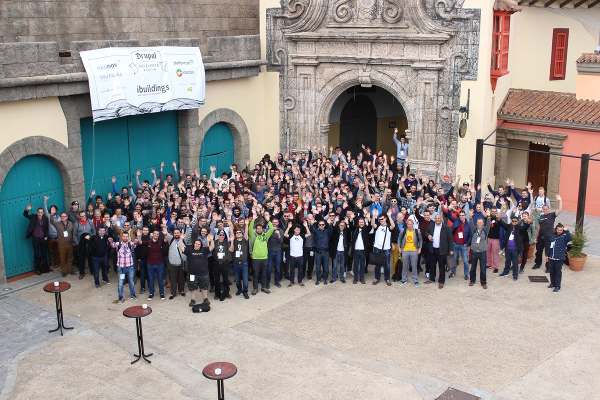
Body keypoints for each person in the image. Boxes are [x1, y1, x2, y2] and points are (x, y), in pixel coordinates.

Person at [180, 234, 214, 307]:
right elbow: (181, 248)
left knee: (204, 287)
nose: (197, 245)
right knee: (193, 288)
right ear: (194, 244)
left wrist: (211, 240)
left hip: (203, 273)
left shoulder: (204, 250)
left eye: (199, 244)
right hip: (192, 274)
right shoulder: (189, 250)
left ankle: (205, 299)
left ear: (200, 245)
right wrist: (181, 239)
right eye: (196, 244)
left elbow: (212, 247)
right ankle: (192, 300)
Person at [497, 211, 530, 281]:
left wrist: (528, 222)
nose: (514, 222)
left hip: (515, 249)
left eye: (515, 221)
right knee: (507, 261)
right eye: (513, 221)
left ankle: (515, 275)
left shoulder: (519, 229)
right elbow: (502, 223)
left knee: (515, 262)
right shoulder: (508, 227)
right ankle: (506, 272)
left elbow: (525, 227)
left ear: (518, 222)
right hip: (508, 248)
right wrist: (499, 219)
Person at [533, 195, 562, 272]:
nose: (545, 210)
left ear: (548, 208)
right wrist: (537, 236)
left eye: (546, 209)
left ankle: (548, 267)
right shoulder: (541, 216)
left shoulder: (552, 215)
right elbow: (539, 226)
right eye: (544, 209)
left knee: (548, 253)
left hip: (548, 237)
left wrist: (560, 200)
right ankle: (537, 264)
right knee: (538, 251)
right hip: (541, 237)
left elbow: (560, 209)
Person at [108, 231, 138, 304]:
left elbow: (136, 243)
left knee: (131, 281)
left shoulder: (131, 244)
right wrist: (111, 241)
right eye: (123, 236)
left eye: (126, 236)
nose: (125, 238)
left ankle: (132, 294)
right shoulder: (118, 244)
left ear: (128, 237)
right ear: (121, 237)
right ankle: (120, 297)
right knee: (121, 283)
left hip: (130, 267)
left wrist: (138, 238)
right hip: (121, 268)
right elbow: (112, 244)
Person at [425, 214, 453, 289]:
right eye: (436, 218)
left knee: (441, 266)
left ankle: (441, 281)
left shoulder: (446, 228)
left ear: (441, 219)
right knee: (432, 265)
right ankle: (432, 278)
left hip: (442, 250)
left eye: (438, 218)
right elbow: (426, 232)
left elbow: (450, 239)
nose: (437, 219)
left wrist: (451, 250)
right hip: (433, 249)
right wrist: (428, 236)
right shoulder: (431, 226)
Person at [249, 216, 274, 295]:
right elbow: (250, 229)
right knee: (255, 274)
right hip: (255, 258)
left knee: (264, 273)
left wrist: (268, 220)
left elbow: (272, 229)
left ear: (262, 229)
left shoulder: (265, 236)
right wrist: (253, 220)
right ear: (256, 230)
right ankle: (255, 288)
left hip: (264, 258)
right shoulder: (254, 236)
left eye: (260, 228)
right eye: (258, 228)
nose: (259, 230)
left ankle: (263, 287)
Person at [370, 208, 395, 286]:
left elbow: (393, 226)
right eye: (380, 219)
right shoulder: (377, 226)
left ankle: (387, 278)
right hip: (377, 247)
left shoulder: (388, 227)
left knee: (387, 265)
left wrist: (389, 216)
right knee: (377, 264)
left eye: (382, 219)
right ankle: (377, 278)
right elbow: (372, 224)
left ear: (385, 219)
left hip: (386, 248)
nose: (380, 220)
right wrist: (374, 216)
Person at [142, 228, 168, 301]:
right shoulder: (149, 242)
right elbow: (141, 242)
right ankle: (151, 293)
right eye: (155, 234)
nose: (156, 235)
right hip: (150, 264)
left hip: (160, 264)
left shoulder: (160, 242)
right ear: (152, 234)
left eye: (157, 234)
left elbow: (166, 240)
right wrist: (138, 236)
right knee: (151, 280)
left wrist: (165, 234)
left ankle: (161, 293)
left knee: (160, 280)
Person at [23, 204, 49, 275]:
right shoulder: (33, 217)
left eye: (41, 212)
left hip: (43, 238)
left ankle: (45, 268)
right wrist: (27, 209)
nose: (40, 214)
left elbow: (47, 228)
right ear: (37, 212)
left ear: (43, 213)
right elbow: (25, 214)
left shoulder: (45, 218)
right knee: (36, 254)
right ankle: (37, 269)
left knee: (44, 253)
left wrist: (46, 236)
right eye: (39, 212)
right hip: (36, 239)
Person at [446, 210, 471, 280]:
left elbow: (470, 235)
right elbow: (450, 216)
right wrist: (449, 209)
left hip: (463, 245)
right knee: (454, 259)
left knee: (465, 260)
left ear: (465, 216)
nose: (461, 217)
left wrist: (467, 243)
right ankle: (453, 272)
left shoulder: (468, 224)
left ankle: (466, 274)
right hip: (455, 244)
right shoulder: (456, 221)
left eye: (463, 215)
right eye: (460, 215)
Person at [546, 223, 572, 293]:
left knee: (558, 272)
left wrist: (567, 231)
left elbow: (570, 238)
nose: (559, 231)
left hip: (559, 258)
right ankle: (552, 283)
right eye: (558, 230)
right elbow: (550, 246)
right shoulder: (553, 236)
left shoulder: (564, 236)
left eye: (561, 230)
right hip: (552, 257)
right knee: (552, 271)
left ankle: (557, 286)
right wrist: (547, 255)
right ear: (556, 229)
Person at [285, 220, 311, 287]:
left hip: (300, 256)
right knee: (292, 270)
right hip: (292, 256)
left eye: (299, 230)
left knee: (300, 270)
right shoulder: (291, 235)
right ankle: (291, 282)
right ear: (294, 230)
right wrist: (288, 227)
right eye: (296, 229)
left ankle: (300, 281)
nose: (298, 231)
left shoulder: (302, 235)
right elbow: (285, 234)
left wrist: (306, 227)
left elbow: (309, 234)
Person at [397, 219, 422, 287]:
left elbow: (420, 239)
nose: (409, 225)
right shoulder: (403, 230)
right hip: (405, 250)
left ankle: (415, 280)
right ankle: (404, 279)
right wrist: (399, 247)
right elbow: (399, 238)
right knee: (404, 266)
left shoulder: (417, 231)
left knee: (414, 266)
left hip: (414, 250)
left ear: (413, 224)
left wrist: (420, 248)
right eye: (408, 224)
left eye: (411, 224)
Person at [50, 212, 75, 277]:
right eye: (62, 216)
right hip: (62, 244)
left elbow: (73, 233)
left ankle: (70, 270)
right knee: (62, 258)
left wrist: (74, 241)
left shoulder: (70, 224)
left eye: (64, 216)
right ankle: (64, 271)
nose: (63, 218)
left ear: (67, 217)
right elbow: (52, 221)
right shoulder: (58, 224)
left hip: (70, 243)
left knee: (70, 258)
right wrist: (52, 214)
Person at [310, 217, 333, 285]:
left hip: (326, 252)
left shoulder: (327, 231)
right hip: (318, 252)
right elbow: (312, 230)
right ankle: (318, 279)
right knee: (317, 268)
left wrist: (330, 224)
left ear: (325, 225)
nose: (321, 226)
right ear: (318, 225)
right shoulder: (316, 231)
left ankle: (325, 279)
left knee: (326, 268)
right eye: (320, 225)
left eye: (323, 224)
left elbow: (331, 231)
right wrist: (311, 224)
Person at [165, 227, 187, 300]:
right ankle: (173, 293)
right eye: (175, 233)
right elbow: (166, 233)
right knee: (173, 279)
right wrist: (165, 225)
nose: (176, 234)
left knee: (181, 278)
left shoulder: (183, 240)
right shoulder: (171, 240)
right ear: (173, 234)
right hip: (173, 263)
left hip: (181, 263)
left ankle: (181, 290)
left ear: (180, 234)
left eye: (178, 233)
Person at [73, 210, 96, 279]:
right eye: (81, 216)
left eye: (84, 216)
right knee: (81, 258)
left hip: (89, 241)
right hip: (81, 242)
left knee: (90, 257)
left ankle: (92, 270)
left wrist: (92, 238)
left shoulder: (89, 222)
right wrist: (77, 243)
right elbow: (74, 234)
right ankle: (81, 272)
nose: (83, 217)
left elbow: (94, 230)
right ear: (79, 216)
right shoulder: (76, 223)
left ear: (86, 215)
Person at [469, 214, 489, 288]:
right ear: (476, 222)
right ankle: (472, 280)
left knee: (483, 268)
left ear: (483, 223)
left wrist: (489, 217)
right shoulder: (474, 229)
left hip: (482, 252)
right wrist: (470, 217)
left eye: (481, 222)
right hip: (474, 251)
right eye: (478, 222)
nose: (480, 223)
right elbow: (470, 223)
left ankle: (483, 282)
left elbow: (488, 224)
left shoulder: (485, 230)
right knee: (473, 267)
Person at [230, 223, 250, 298]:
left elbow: (246, 233)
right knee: (237, 279)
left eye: (239, 232)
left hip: (244, 263)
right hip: (235, 263)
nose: (238, 233)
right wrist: (231, 241)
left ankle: (245, 291)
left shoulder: (245, 241)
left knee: (245, 280)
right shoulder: (234, 241)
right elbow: (231, 250)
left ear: (242, 234)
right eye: (237, 233)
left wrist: (247, 225)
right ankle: (239, 289)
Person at [349, 217, 370, 284]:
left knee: (362, 265)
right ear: (358, 223)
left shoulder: (366, 229)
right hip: (356, 250)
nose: (361, 223)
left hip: (363, 250)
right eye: (360, 222)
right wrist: (351, 219)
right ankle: (355, 278)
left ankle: (362, 278)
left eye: (362, 222)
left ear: (364, 223)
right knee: (355, 265)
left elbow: (370, 227)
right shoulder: (356, 229)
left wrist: (369, 219)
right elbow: (351, 226)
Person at [212, 230, 231, 301]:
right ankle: (217, 293)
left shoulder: (226, 242)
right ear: (218, 235)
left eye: (223, 235)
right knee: (216, 279)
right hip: (216, 263)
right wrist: (210, 241)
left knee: (225, 279)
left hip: (224, 263)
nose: (221, 236)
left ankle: (227, 293)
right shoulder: (215, 242)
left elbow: (231, 249)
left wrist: (231, 242)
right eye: (220, 235)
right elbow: (210, 249)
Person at [330, 219, 350, 283]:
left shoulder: (346, 233)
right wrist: (335, 222)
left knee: (342, 265)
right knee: (335, 266)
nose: (342, 227)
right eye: (340, 225)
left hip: (343, 251)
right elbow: (333, 231)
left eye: (343, 225)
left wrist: (347, 224)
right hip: (336, 251)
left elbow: (349, 234)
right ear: (338, 226)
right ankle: (334, 277)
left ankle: (342, 278)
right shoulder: (336, 232)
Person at [43, 196, 60, 269]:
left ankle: (57, 262)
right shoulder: (48, 216)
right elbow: (45, 209)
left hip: (57, 237)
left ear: (56, 210)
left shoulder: (59, 218)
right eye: (51, 209)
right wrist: (45, 201)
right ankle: (52, 263)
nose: (52, 210)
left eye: (54, 209)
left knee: (58, 251)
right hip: (50, 237)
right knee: (50, 251)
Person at [267, 218, 284, 289]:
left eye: (276, 222)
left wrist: (278, 235)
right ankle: (267, 282)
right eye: (273, 222)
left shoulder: (281, 230)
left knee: (277, 267)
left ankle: (277, 281)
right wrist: (271, 231)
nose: (274, 223)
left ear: (278, 223)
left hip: (277, 251)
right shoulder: (269, 230)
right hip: (270, 250)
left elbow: (281, 242)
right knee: (269, 268)